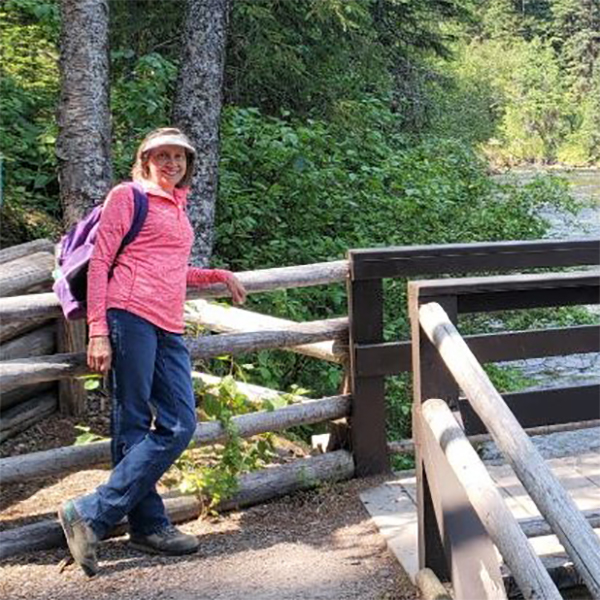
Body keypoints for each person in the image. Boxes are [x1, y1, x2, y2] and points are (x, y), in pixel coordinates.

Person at [58, 127, 247, 577]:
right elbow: (102, 262)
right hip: (128, 316)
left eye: (178, 157)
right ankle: (147, 525)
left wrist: (215, 274)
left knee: (180, 422)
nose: (171, 164)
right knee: (134, 422)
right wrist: (99, 331)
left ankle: (93, 511)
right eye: (161, 156)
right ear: (145, 160)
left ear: (188, 165)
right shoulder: (128, 196)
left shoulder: (179, 207)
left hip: (167, 324)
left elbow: (170, 269)